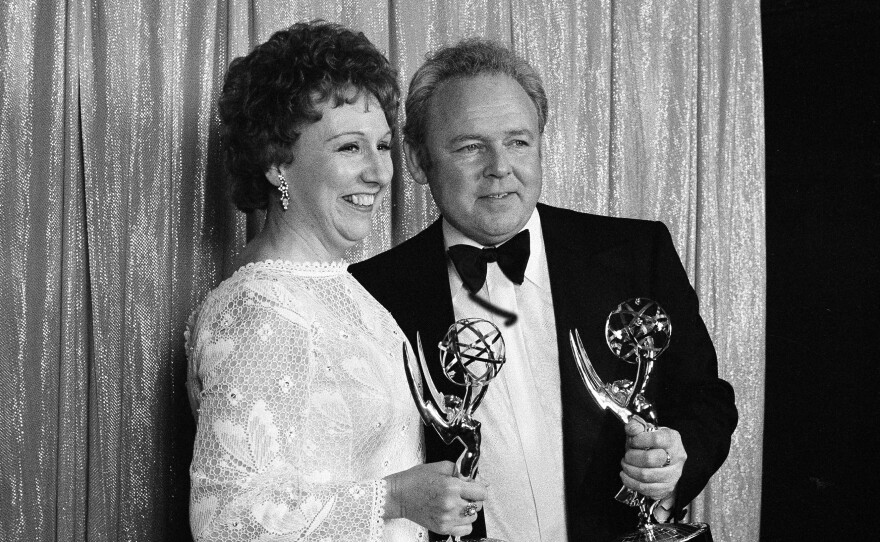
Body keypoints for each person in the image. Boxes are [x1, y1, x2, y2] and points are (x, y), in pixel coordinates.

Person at [349, 38, 738, 542]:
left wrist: (678, 455)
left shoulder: (637, 252)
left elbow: (708, 399)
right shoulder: (370, 294)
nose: (499, 167)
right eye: (470, 146)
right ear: (421, 160)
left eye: (518, 141)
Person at [184, 22, 487, 542]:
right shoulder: (262, 307)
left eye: (384, 145)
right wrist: (393, 497)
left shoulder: (343, 288)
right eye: (350, 148)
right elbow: (223, 519)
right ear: (278, 162)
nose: (380, 173)